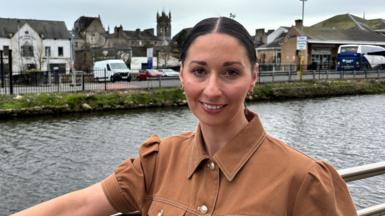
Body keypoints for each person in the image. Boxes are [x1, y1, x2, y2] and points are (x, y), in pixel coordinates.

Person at [13, 17, 357, 216]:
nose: (211, 90)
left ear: (253, 77)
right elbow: (78, 206)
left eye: (230, 72)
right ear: (181, 76)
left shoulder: (304, 180)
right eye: (199, 71)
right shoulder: (158, 160)